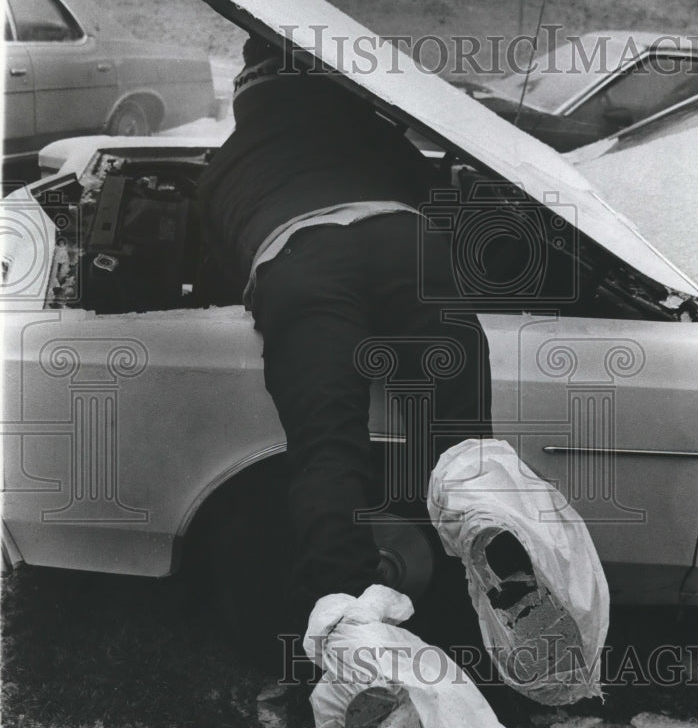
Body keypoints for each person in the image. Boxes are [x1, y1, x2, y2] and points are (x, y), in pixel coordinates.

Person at [197, 34, 493, 667]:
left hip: (299, 261)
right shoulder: (369, 127)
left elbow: (218, 272)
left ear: (247, 97)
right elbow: (437, 198)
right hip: (405, 246)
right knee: (460, 441)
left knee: (328, 448)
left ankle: (347, 639)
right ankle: (494, 599)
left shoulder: (223, 167)